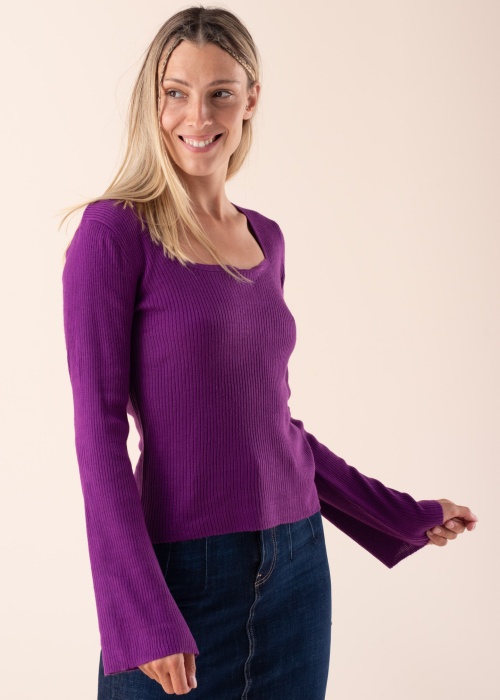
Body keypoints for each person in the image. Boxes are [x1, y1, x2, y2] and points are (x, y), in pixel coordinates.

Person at [59, 6, 478, 699]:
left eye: (221, 92)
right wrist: (140, 616)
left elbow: (274, 427)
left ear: (251, 99)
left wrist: (398, 513)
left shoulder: (266, 239)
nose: (198, 115)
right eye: (176, 92)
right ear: (151, 101)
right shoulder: (113, 234)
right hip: (181, 578)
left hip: (297, 571)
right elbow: (96, 436)